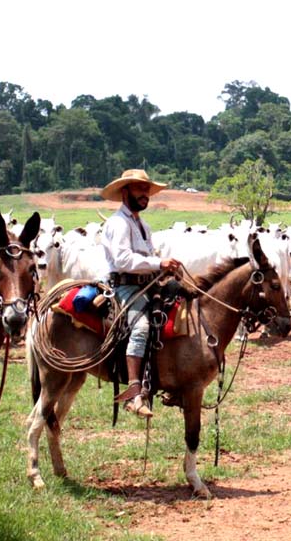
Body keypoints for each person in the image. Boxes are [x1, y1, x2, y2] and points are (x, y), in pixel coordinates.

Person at [100, 169, 185, 418]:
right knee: (141, 328)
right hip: (125, 286)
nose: (145, 194)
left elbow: (147, 257)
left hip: (147, 284)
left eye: (147, 189)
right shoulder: (118, 223)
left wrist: (164, 268)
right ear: (125, 191)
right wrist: (159, 264)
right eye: (139, 188)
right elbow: (123, 260)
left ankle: (176, 380)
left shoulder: (142, 224)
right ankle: (134, 393)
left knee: (183, 311)